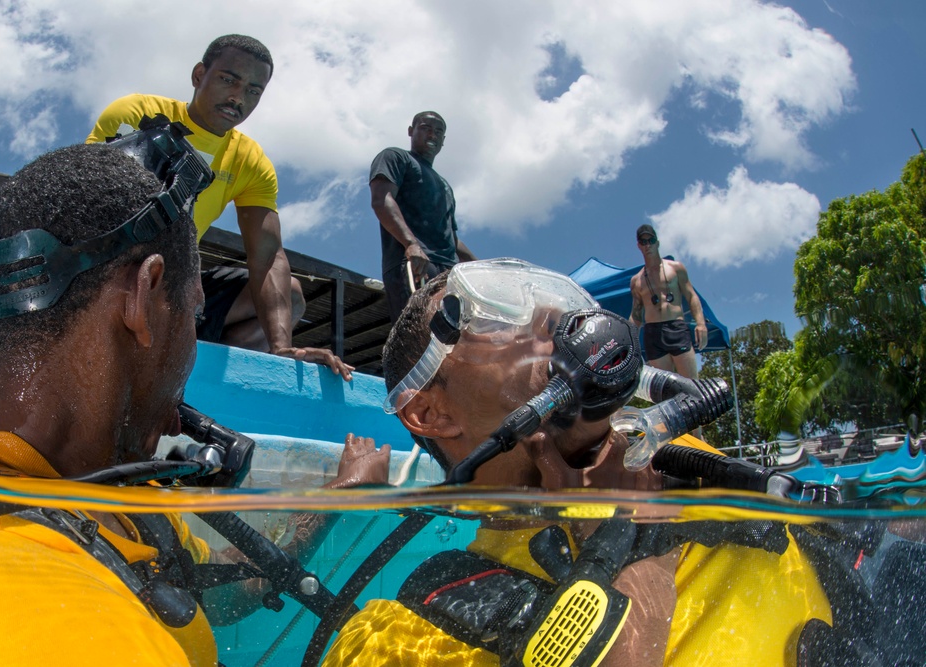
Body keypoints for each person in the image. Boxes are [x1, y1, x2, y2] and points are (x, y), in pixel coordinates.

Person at [0, 141, 387, 666]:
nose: (189, 350)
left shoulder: (115, 501)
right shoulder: (68, 637)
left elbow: (221, 592)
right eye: (192, 317)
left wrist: (338, 495)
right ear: (142, 298)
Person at [323, 260, 832, 667]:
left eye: (552, 311)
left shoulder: (682, 455)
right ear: (432, 412)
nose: (553, 321)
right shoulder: (395, 639)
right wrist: (630, 540)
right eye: (496, 319)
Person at [87, 34, 354, 380]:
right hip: (105, 279)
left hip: (175, 291)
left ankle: (196, 376)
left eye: (254, 91)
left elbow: (268, 256)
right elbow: (84, 207)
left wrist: (281, 349)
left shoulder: (250, 161)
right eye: (229, 79)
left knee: (291, 295)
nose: (238, 97)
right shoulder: (135, 114)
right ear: (199, 75)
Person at [370, 111, 477, 323]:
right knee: (418, 331)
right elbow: (382, 200)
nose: (432, 135)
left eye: (438, 132)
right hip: (415, 263)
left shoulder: (445, 185)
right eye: (426, 128)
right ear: (411, 131)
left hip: (450, 272)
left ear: (443, 141)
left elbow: (451, 238)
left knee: (454, 336)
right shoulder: (396, 157)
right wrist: (411, 244)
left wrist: (481, 267)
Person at [629, 224, 708, 380]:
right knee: (665, 391)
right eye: (643, 242)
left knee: (691, 386)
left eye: (650, 240)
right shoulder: (636, 280)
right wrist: (626, 341)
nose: (647, 245)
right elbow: (636, 315)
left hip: (676, 328)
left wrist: (700, 324)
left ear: (657, 242)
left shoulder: (675, 268)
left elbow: (691, 296)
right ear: (639, 246)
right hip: (652, 333)